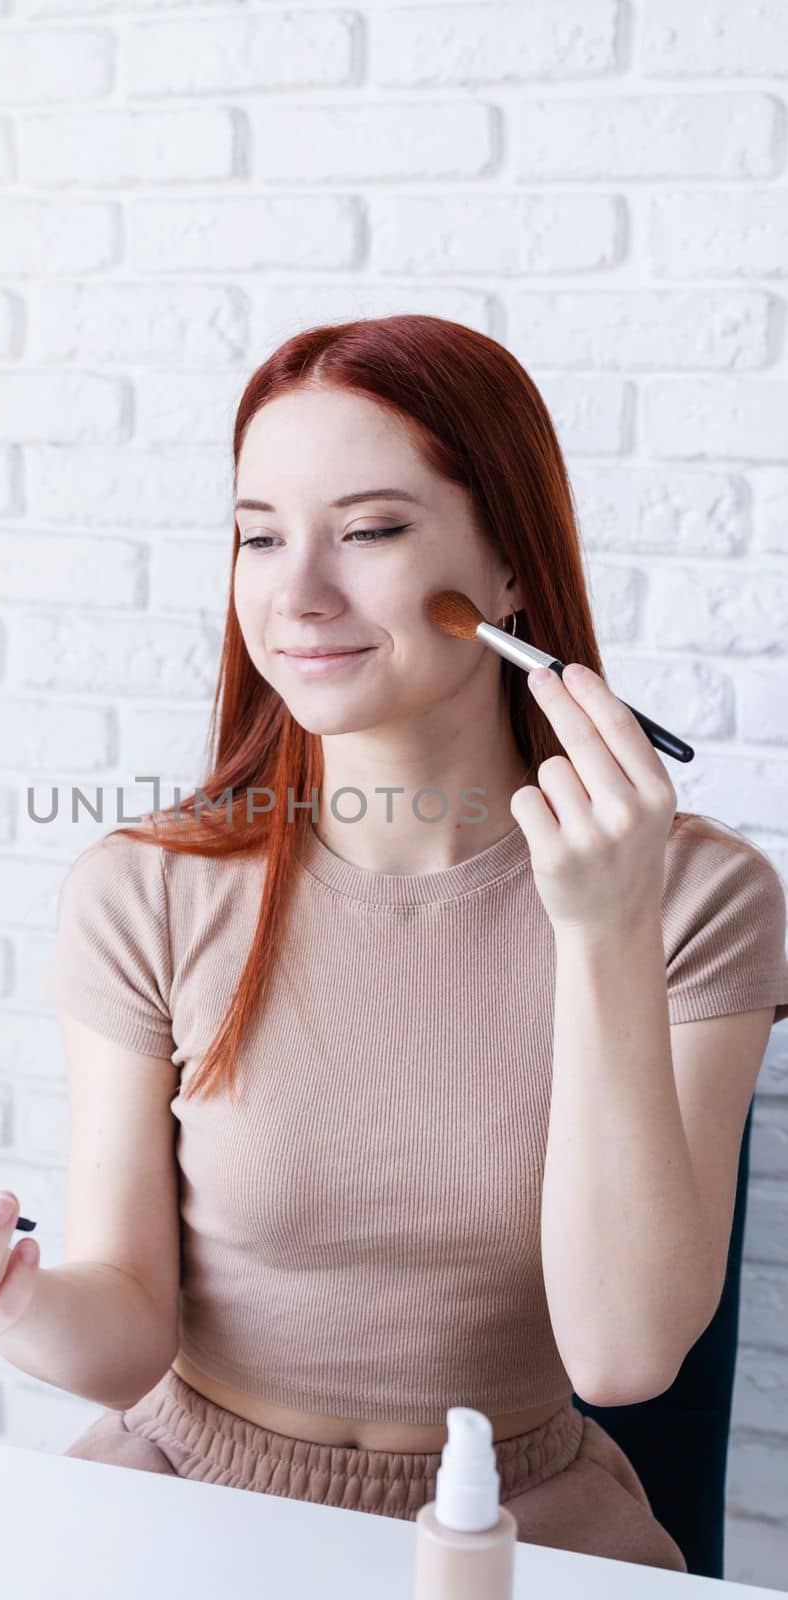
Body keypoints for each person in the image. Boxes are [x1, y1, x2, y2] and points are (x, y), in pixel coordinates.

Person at [43, 318, 788, 1569]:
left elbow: (623, 1354)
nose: (298, 595)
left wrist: (604, 930)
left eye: (373, 530)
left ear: (511, 572)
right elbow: (120, 1329)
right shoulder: (146, 889)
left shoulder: (698, 897)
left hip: (515, 1532)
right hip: (180, 1507)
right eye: (260, 534)